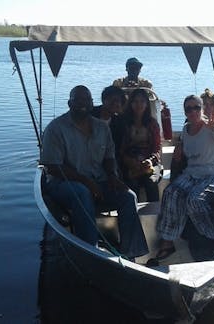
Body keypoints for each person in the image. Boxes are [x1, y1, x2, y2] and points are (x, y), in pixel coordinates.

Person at [41, 85, 149, 260]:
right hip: (63, 183)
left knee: (128, 196)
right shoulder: (56, 128)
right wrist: (86, 182)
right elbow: (52, 166)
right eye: (78, 100)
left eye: (86, 100)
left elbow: (109, 157)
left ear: (92, 104)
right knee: (83, 192)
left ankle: (131, 253)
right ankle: (91, 250)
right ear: (70, 103)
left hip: (98, 181)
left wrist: (113, 176)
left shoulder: (101, 127)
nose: (82, 104)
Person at [148, 95, 214, 265]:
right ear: (185, 112)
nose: (193, 111)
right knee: (171, 193)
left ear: (202, 109)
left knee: (195, 200)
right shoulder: (186, 130)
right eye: (189, 109)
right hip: (193, 174)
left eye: (196, 108)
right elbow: (186, 155)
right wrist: (178, 154)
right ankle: (168, 241)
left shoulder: (211, 126)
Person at [119, 88, 162, 202]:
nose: (139, 105)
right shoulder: (125, 123)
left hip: (150, 164)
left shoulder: (152, 124)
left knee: (151, 182)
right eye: (135, 101)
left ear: (147, 104)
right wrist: (129, 161)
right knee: (132, 184)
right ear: (131, 104)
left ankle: (156, 215)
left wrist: (150, 161)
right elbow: (121, 148)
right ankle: (133, 215)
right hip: (130, 164)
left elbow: (157, 148)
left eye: (142, 101)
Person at [92, 85, 127, 160]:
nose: (114, 103)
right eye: (111, 99)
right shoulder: (90, 114)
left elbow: (118, 148)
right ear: (103, 100)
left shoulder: (119, 122)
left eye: (117, 101)